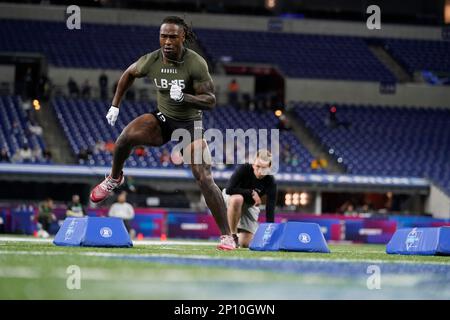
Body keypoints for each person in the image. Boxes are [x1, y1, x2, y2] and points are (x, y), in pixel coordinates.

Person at [89, 16, 235, 250]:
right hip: (162, 119)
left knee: (205, 178)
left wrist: (185, 97)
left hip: (190, 125)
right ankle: (115, 178)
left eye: (172, 37)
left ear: (183, 37)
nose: (167, 42)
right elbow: (128, 74)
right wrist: (115, 105)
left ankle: (227, 236)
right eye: (163, 36)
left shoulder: (195, 63)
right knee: (125, 138)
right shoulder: (152, 59)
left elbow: (211, 101)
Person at [222, 150, 277, 248]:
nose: (260, 171)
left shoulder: (271, 181)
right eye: (257, 166)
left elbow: (270, 210)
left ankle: (239, 236)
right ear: (253, 164)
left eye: (264, 168)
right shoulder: (244, 168)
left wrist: (270, 234)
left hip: (249, 206)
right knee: (238, 199)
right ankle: (232, 236)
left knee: (245, 244)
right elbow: (229, 190)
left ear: (269, 168)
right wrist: (251, 192)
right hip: (231, 198)